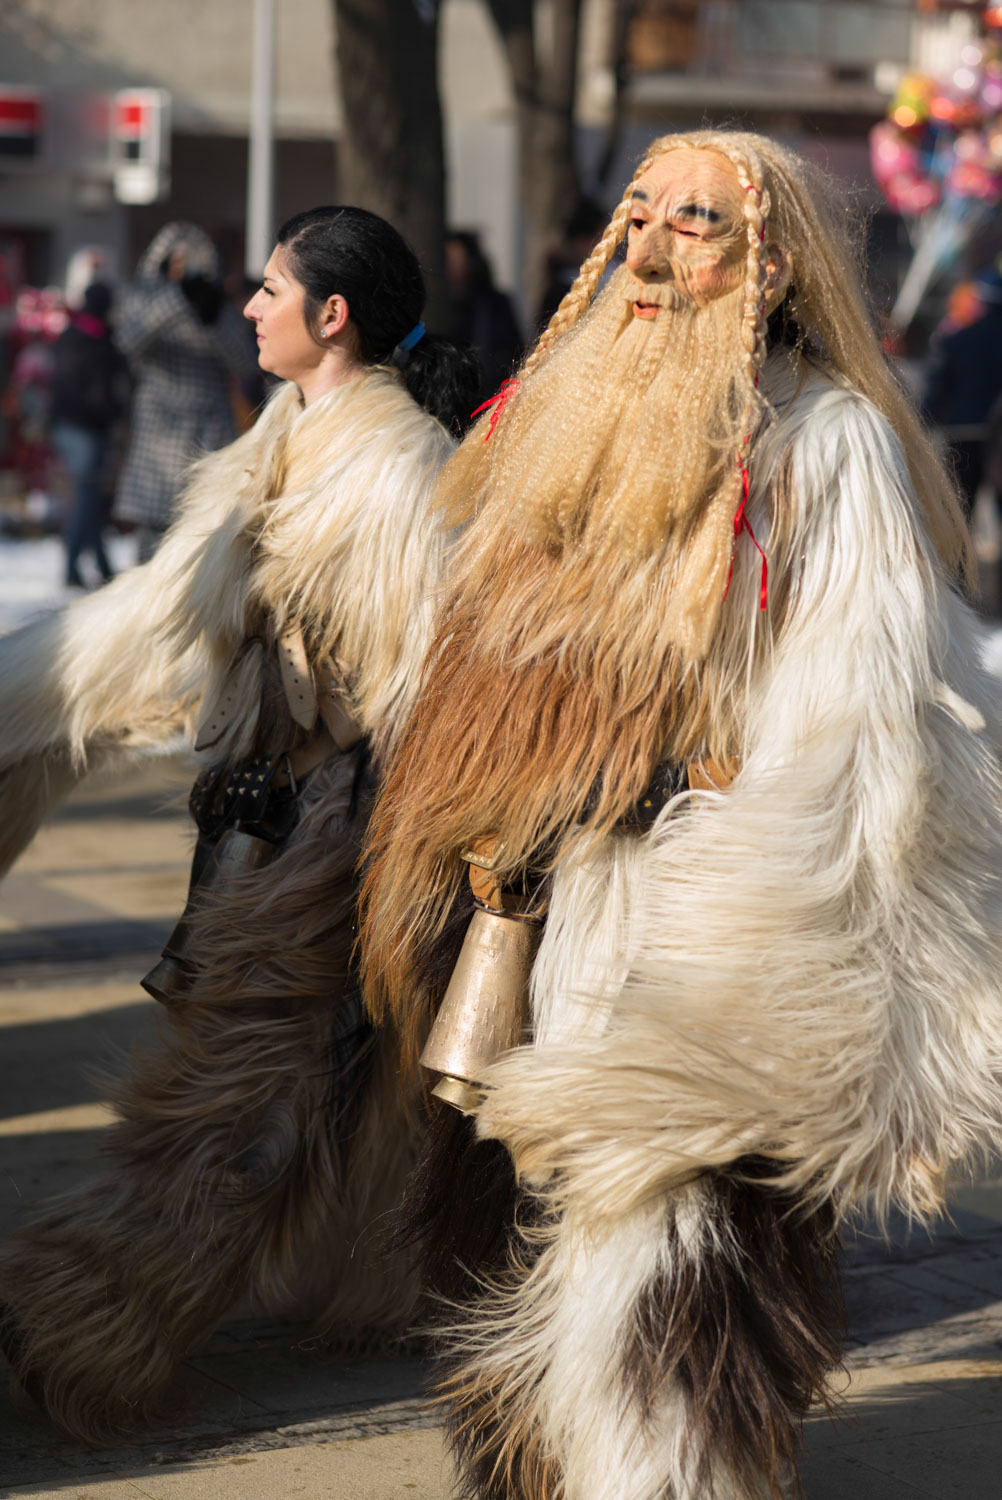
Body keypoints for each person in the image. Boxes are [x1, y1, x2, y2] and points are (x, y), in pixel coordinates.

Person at [360, 132, 1002, 1499]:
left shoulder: (827, 447)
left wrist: (747, 928)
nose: (649, 243)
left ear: (770, 265)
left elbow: (861, 719)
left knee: (670, 1229)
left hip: (694, 900)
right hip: (536, 893)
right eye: (637, 212)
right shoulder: (560, 417)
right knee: (511, 1223)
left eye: (693, 221)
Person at [0, 206, 479, 1441]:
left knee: (243, 1100)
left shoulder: (399, 470)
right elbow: (172, 616)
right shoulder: (285, 434)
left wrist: (368, 855)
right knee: (285, 1091)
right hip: (265, 822)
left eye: (272, 289)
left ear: (334, 317)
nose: (249, 306)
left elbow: (424, 696)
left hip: (344, 836)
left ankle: (88, 1312)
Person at [112, 222, 259, 560]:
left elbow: (246, 363)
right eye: (175, 263)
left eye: (191, 263)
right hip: (158, 429)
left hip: (208, 429)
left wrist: (212, 320)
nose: (183, 270)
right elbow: (127, 340)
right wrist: (178, 299)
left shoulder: (219, 309)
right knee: (152, 541)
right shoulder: (144, 298)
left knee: (203, 532)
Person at [49, 281, 130, 587]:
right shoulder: (99, 341)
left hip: (66, 424)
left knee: (90, 496)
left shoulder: (71, 334)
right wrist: (113, 414)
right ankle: (72, 567)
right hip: (87, 427)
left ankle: (102, 563)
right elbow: (100, 392)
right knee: (85, 497)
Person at [445, 229, 523, 403]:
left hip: (491, 393)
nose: (453, 266)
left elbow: (516, 350)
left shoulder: (494, 303)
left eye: (457, 259)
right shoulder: (441, 306)